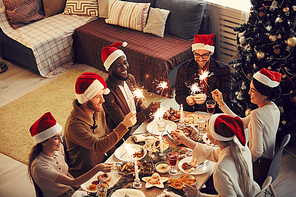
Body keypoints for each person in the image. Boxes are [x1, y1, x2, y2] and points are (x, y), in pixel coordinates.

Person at [211, 68, 282, 186]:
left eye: (253, 90)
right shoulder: (273, 108)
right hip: (270, 166)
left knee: (219, 167)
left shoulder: (257, 115)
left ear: (264, 94)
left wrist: (240, 165)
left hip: (258, 169)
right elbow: (241, 123)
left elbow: (256, 152)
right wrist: (221, 103)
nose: (249, 93)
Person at [64, 72, 137, 177]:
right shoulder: (74, 126)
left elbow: (106, 134)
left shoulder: (97, 110)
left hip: (103, 165)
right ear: (86, 100)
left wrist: (116, 158)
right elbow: (99, 146)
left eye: (102, 95)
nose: (102, 100)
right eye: (98, 97)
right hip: (85, 175)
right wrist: (124, 125)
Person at [172, 114, 260, 197]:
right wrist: (185, 140)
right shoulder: (240, 146)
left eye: (207, 129)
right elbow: (212, 152)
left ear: (214, 138)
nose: (206, 132)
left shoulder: (220, 169)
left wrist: (198, 195)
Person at [28, 112, 114, 197]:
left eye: (59, 136)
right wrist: (97, 168)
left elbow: (66, 173)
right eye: (55, 138)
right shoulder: (40, 166)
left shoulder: (59, 149)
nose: (61, 141)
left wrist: (79, 187)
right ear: (44, 142)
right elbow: (74, 183)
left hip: (71, 190)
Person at [101, 42, 161, 145]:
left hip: (139, 126)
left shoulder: (130, 79)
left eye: (125, 63)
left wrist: (150, 112)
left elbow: (139, 104)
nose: (124, 67)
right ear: (109, 69)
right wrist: (146, 113)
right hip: (124, 136)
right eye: (119, 66)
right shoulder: (107, 92)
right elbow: (123, 122)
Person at [175, 33, 231, 112]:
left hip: (213, 111)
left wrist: (208, 98)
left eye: (204, 55)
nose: (200, 59)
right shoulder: (184, 68)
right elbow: (178, 96)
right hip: (191, 112)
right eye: (197, 55)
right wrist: (186, 100)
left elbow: (227, 97)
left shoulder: (223, 69)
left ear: (210, 53)